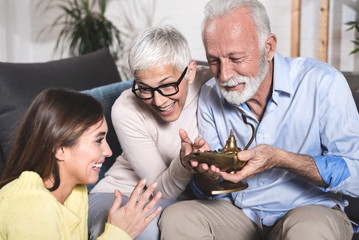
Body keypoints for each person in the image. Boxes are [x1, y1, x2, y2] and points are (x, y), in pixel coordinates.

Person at [159, 0, 359, 239]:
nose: (224, 75)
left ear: (269, 47)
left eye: (236, 58)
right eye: (214, 61)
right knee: (177, 218)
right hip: (241, 214)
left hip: (309, 209)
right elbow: (212, 191)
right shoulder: (210, 94)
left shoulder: (323, 83)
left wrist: (281, 159)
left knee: (309, 230)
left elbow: (356, 176)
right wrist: (205, 173)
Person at [88, 25, 212, 239]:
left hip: (185, 201)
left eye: (167, 85)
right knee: (143, 231)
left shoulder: (212, 82)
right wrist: (183, 164)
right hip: (121, 192)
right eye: (144, 88)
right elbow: (160, 188)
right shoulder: (126, 108)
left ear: (190, 72)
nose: (158, 101)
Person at [0, 88, 162, 240]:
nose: (108, 151)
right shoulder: (29, 206)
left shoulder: (75, 193)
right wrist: (119, 234)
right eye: (98, 140)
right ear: (60, 149)